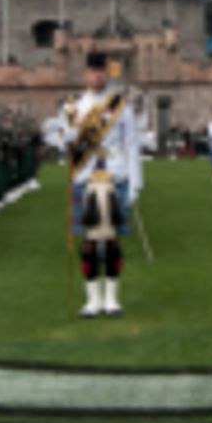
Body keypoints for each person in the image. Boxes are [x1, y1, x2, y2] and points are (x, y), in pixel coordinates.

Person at [56, 51, 142, 318]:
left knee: (113, 239)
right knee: (89, 241)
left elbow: (131, 144)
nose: (97, 76)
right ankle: (92, 300)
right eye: (93, 72)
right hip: (85, 176)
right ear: (85, 74)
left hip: (115, 174)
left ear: (107, 73)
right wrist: (66, 140)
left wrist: (136, 180)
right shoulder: (72, 107)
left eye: (101, 71)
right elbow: (63, 144)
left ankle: (112, 298)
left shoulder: (120, 105)